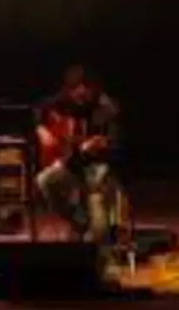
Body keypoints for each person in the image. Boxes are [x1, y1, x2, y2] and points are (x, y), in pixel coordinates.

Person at [35, 64, 121, 243]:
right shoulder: (67, 101)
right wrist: (40, 128)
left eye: (83, 94)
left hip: (97, 168)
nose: (78, 99)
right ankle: (78, 220)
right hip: (73, 163)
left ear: (92, 90)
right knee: (45, 180)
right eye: (74, 94)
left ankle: (91, 229)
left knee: (98, 234)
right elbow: (40, 108)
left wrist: (101, 144)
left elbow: (116, 142)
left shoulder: (106, 108)